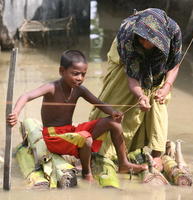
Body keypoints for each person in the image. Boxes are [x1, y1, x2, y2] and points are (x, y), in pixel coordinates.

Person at [7, 50, 147, 181]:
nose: (80, 78)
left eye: (83, 74)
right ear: (62, 71)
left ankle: (124, 163)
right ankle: (87, 173)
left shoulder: (79, 90)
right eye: (75, 74)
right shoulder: (52, 88)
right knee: (86, 139)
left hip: (70, 131)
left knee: (113, 123)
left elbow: (98, 103)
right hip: (53, 137)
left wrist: (113, 112)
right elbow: (26, 96)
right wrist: (16, 113)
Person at [89, 8, 182, 170]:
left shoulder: (173, 33)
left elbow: (174, 65)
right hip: (126, 57)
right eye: (142, 39)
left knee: (157, 98)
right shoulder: (128, 36)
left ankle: (156, 154)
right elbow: (132, 77)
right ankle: (105, 150)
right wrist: (139, 95)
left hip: (160, 60)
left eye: (149, 41)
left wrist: (166, 87)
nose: (145, 44)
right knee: (119, 92)